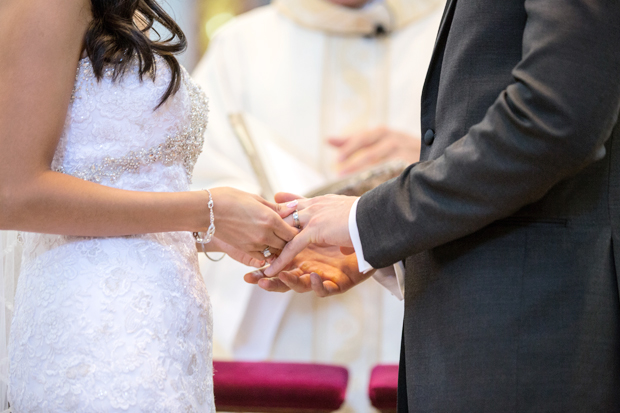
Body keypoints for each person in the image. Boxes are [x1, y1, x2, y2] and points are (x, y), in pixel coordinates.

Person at [252, 0, 620, 410]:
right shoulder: (246, 43)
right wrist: (384, 250)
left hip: (534, 338)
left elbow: (555, 120)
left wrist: (366, 221)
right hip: (481, 333)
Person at [0, 0, 298, 411]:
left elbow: (116, 181)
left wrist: (216, 230)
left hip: (168, 325)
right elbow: (12, 194)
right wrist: (207, 210)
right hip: (96, 329)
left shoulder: (122, 6)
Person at [191, 0, 443, 409]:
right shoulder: (242, 45)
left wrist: (428, 157)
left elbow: (495, 162)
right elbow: (198, 178)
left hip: (412, 316)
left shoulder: (447, 31)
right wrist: (275, 228)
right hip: (289, 340)